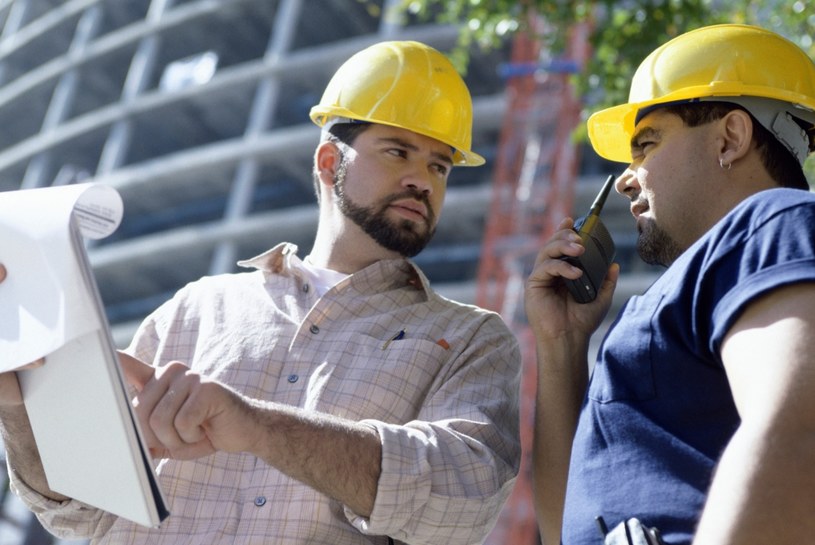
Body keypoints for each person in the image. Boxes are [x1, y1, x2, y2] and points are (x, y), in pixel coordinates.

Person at [0, 40, 521, 545]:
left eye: (439, 165)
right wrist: (17, 407)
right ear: (328, 163)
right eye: (397, 151)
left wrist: (256, 426)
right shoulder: (199, 307)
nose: (423, 181)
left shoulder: (470, 339)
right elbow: (78, 509)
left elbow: (463, 501)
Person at [525, 24, 815, 545]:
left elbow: (798, 439)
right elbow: (562, 523)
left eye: (646, 144)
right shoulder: (695, 284)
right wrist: (563, 344)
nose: (624, 177)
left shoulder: (776, 226)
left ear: (730, 138)